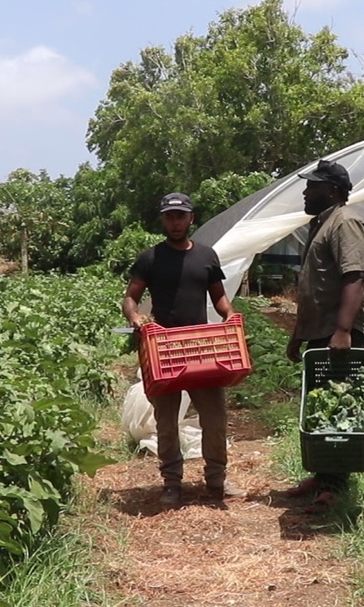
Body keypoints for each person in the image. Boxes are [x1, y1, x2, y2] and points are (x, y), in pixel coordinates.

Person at [123, 192, 246, 505]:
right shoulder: (150, 258)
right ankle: (172, 483)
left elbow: (219, 297)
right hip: (162, 347)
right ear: (163, 219)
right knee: (166, 420)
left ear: (192, 218)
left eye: (181, 216)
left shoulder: (206, 256)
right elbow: (131, 297)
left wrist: (229, 316)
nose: (175, 222)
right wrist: (137, 318)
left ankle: (216, 481)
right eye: (169, 216)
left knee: (215, 419)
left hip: (200, 347)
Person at [285, 159, 364, 513]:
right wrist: (299, 334)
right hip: (322, 331)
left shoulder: (345, 223)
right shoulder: (321, 225)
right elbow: (314, 288)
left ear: (334, 191)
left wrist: (343, 331)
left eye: (314, 186)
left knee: (341, 409)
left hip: (342, 333)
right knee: (319, 408)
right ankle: (323, 476)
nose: (307, 191)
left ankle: (336, 486)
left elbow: (354, 277)